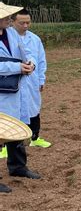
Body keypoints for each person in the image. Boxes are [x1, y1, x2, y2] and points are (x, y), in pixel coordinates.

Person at [0, 1, 41, 191]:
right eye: (6, 17)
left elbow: (24, 54)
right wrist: (16, 67)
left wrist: (29, 63)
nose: (9, 19)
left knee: (16, 128)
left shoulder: (11, 33)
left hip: (14, 90)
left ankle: (17, 167)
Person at [11, 8, 50, 148]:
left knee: (34, 108)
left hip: (32, 81)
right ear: (13, 21)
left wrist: (41, 79)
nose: (25, 26)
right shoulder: (6, 38)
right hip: (11, 83)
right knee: (11, 113)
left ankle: (35, 137)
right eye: (22, 23)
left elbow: (41, 61)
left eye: (28, 22)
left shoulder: (35, 39)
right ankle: (5, 146)